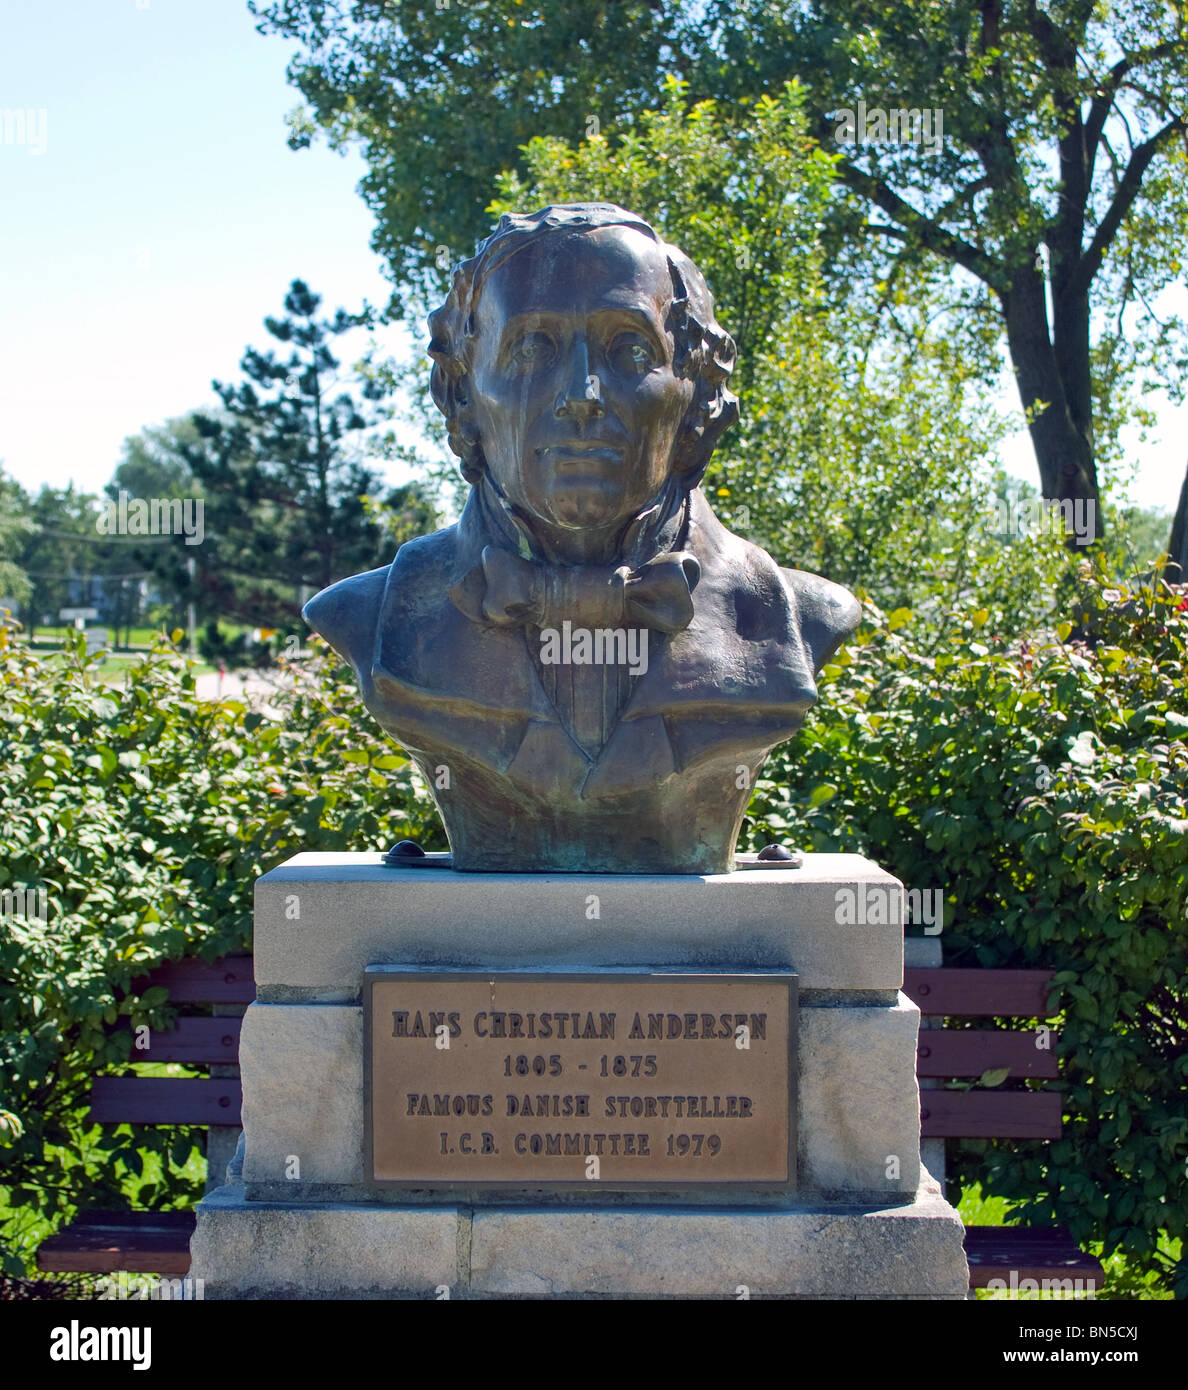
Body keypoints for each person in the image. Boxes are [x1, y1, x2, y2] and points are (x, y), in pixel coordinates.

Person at [303, 203, 860, 872]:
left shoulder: (789, 619)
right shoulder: (376, 618)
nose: (583, 394)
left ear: (698, 398)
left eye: (630, 349)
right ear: (460, 392)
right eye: (534, 347)